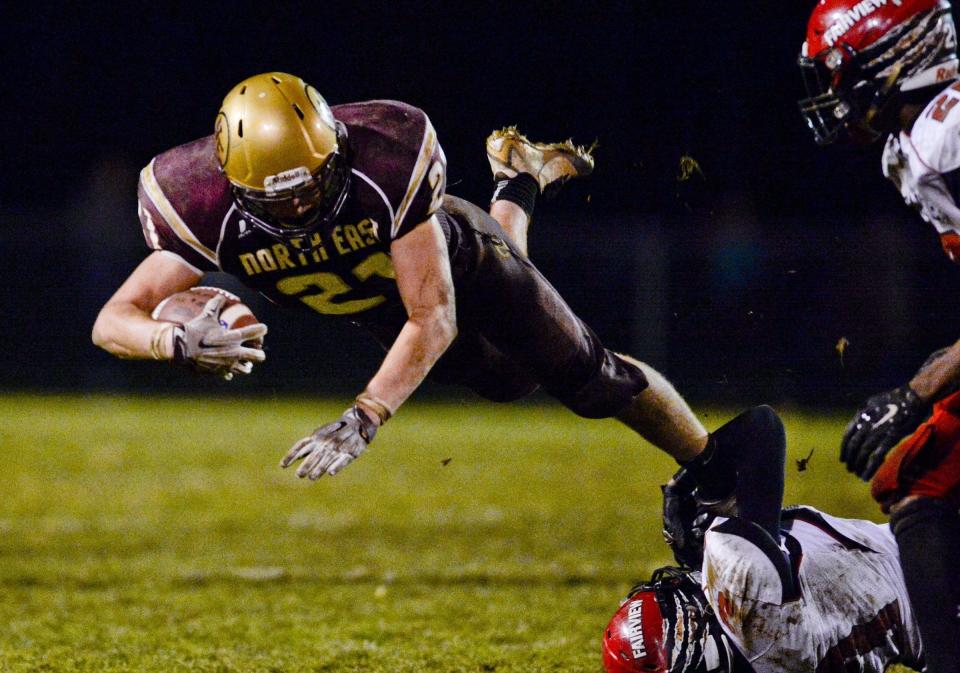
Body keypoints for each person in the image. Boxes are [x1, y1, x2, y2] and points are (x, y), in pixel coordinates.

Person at [92, 71, 710, 482]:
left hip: (457, 261)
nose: (303, 209)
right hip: (383, 305)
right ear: (232, 183)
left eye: (312, 185)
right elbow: (113, 320)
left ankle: (711, 468)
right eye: (281, 201)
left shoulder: (386, 157)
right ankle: (518, 178)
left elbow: (433, 315)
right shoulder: (196, 206)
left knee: (585, 377)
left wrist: (366, 414)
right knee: (509, 381)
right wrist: (169, 340)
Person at [797, 1, 960, 669]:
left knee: (920, 465)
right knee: (917, 469)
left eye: (844, 73)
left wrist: (921, 389)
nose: (837, 94)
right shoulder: (925, 134)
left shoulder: (948, 136)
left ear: (896, 58)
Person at [602, 406, 925, 673]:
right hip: (931, 558)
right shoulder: (747, 597)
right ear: (693, 628)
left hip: (933, 638)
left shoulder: (759, 647)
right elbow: (763, 430)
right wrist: (691, 478)